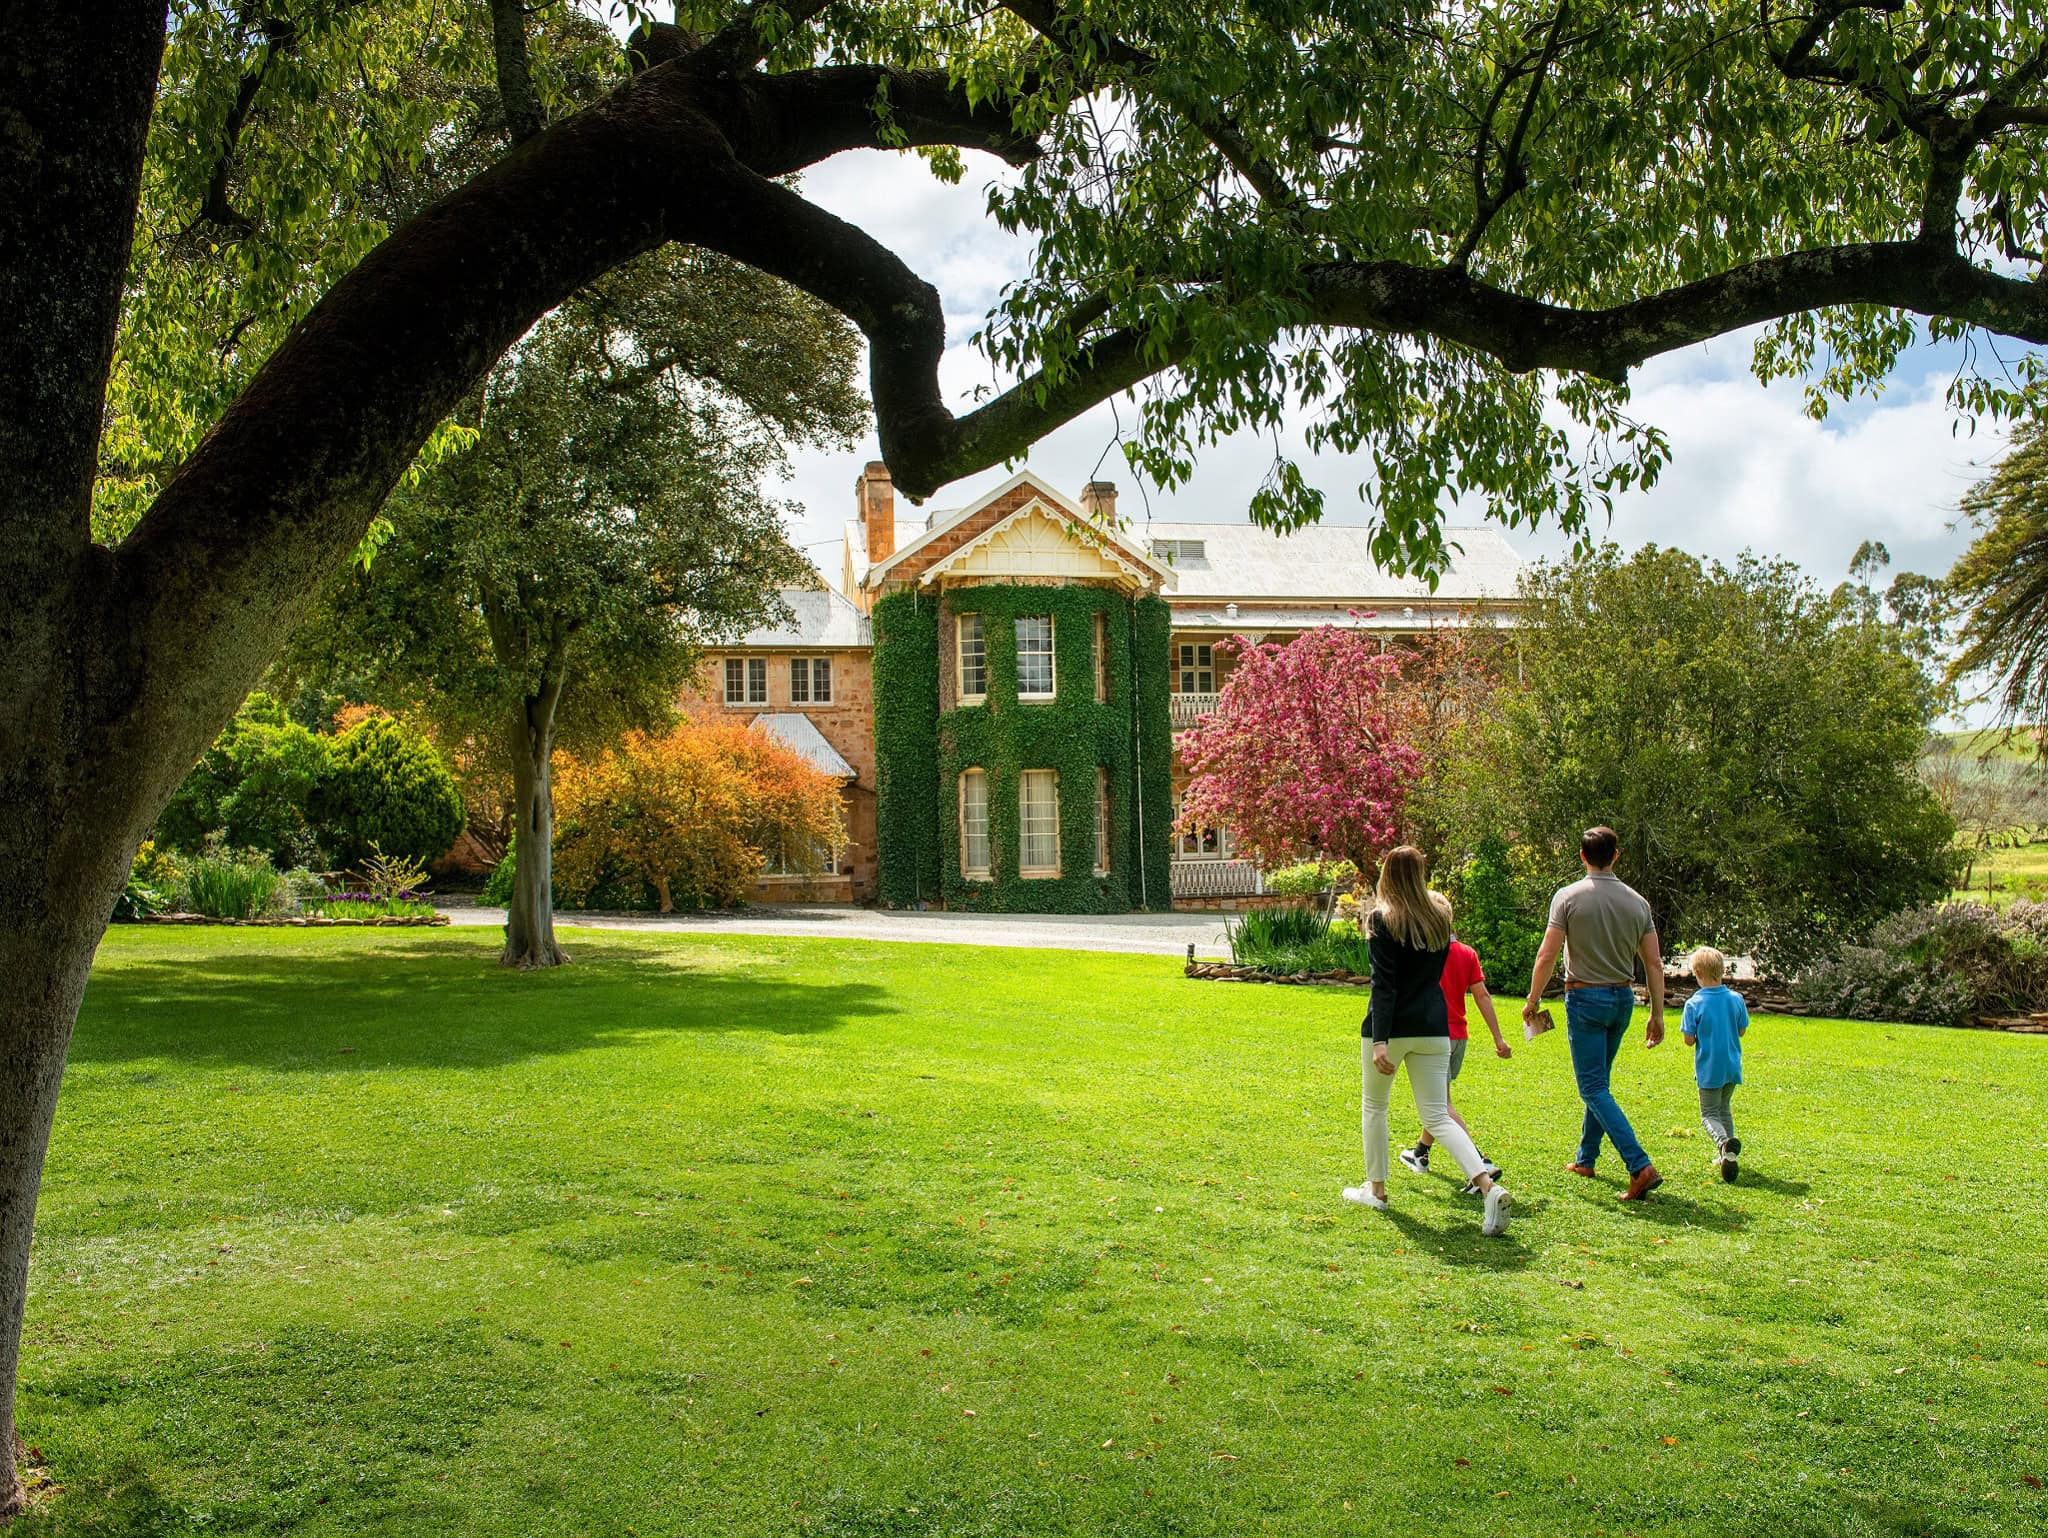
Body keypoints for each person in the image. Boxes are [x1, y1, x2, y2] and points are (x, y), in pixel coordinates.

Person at [1344, 846, 1514, 1237]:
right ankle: (1488, 1186)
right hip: (1435, 1026)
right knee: (1436, 1114)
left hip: (1393, 1028)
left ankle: (1377, 1190)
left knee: (1375, 1107)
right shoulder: (1438, 917)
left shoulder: (1382, 919)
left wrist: (1381, 1040)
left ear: (1388, 873)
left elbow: (1383, 984)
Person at [1523, 825, 1666, 1202]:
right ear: (1615, 856)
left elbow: (1547, 954)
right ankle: (1586, 1158)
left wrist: (1533, 999)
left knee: (1591, 1086)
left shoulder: (1568, 897)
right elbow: (1653, 963)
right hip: (1622, 1001)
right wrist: (1657, 1013)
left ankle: (1639, 1166)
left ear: (1583, 856)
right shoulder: (1638, 903)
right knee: (1599, 1082)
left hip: (1585, 1000)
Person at [1397, 918, 1511, 1191]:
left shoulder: (1424, 953)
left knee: (1440, 1106)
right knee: (1440, 1099)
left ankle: (1480, 1164)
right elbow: (1481, 995)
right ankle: (1420, 1153)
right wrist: (1498, 1038)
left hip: (1434, 1036)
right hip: (1459, 1036)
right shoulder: (1466, 953)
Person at [1680, 946, 1748, 1182]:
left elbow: (1689, 1040)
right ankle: (1728, 1157)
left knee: (1708, 1113)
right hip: (1731, 1065)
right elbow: (1741, 1031)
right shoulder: (1736, 999)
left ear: (1697, 972)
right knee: (1724, 1108)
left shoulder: (1694, 1003)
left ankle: (1723, 1144)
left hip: (1709, 1067)